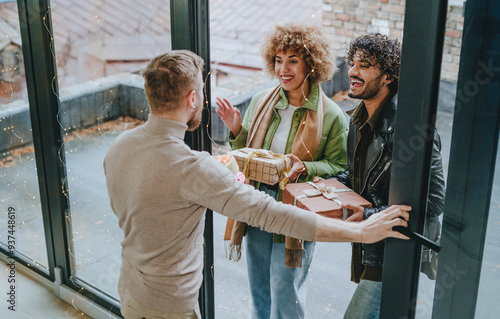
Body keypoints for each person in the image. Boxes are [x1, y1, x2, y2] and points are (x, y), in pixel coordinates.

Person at [104, 49, 411, 319]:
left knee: (284, 291)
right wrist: (359, 230)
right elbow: (271, 213)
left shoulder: (119, 146)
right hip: (169, 307)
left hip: (130, 292)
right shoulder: (193, 168)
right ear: (193, 99)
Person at [216, 22, 349, 318]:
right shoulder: (260, 102)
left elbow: (340, 168)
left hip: (296, 210)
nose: (283, 69)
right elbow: (247, 155)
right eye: (278, 60)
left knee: (286, 292)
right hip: (258, 205)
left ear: (311, 64)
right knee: (260, 285)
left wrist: (306, 166)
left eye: (293, 60)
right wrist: (237, 130)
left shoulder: (332, 116)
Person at [333, 33, 446, 319]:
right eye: (352, 62)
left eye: (365, 65)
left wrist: (371, 215)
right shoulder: (359, 119)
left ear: (387, 76)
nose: (353, 72)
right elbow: (360, 176)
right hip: (372, 242)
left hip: (398, 250)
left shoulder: (411, 127)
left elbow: (434, 201)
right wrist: (326, 186)